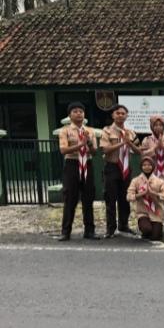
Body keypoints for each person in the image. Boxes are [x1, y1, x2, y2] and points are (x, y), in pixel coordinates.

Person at [57, 102, 99, 241]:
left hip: (87, 163)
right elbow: (63, 150)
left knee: (88, 198)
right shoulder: (65, 131)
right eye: (75, 111)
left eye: (81, 111)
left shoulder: (90, 131)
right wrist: (80, 145)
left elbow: (94, 152)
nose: (78, 113)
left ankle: (89, 231)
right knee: (70, 198)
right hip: (72, 164)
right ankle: (65, 231)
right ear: (70, 115)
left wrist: (89, 143)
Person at [100, 104, 141, 237]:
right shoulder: (107, 131)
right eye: (118, 113)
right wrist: (122, 143)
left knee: (125, 198)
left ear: (127, 116)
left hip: (126, 168)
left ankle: (124, 225)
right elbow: (105, 149)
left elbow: (139, 150)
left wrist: (130, 143)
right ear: (113, 115)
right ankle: (110, 229)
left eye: (123, 113)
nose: (120, 115)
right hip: (112, 167)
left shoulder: (131, 132)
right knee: (110, 199)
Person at [141, 115, 164, 234]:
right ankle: (154, 222)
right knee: (152, 199)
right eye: (155, 125)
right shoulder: (147, 140)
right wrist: (155, 148)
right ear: (152, 127)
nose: (158, 127)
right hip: (153, 175)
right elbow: (143, 155)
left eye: (160, 125)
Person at [126, 157, 164, 241]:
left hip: (156, 213)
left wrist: (154, 194)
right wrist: (141, 194)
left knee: (155, 237)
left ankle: (157, 229)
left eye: (149, 165)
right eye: (144, 165)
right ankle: (144, 230)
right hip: (143, 212)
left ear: (153, 166)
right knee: (146, 229)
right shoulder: (135, 181)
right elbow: (128, 196)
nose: (147, 167)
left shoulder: (159, 181)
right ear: (141, 167)